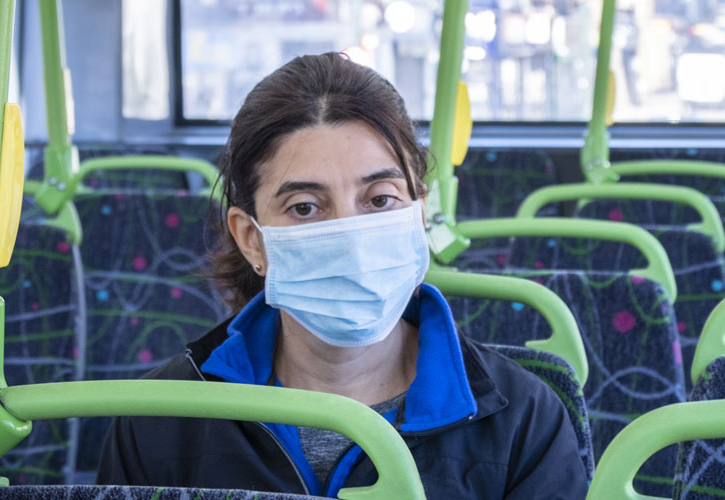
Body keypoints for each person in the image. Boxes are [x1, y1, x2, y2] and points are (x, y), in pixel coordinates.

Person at [97, 52, 588, 499]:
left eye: (379, 200)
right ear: (251, 239)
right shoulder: (164, 417)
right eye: (305, 207)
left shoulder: (522, 419)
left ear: (419, 213)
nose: (350, 234)